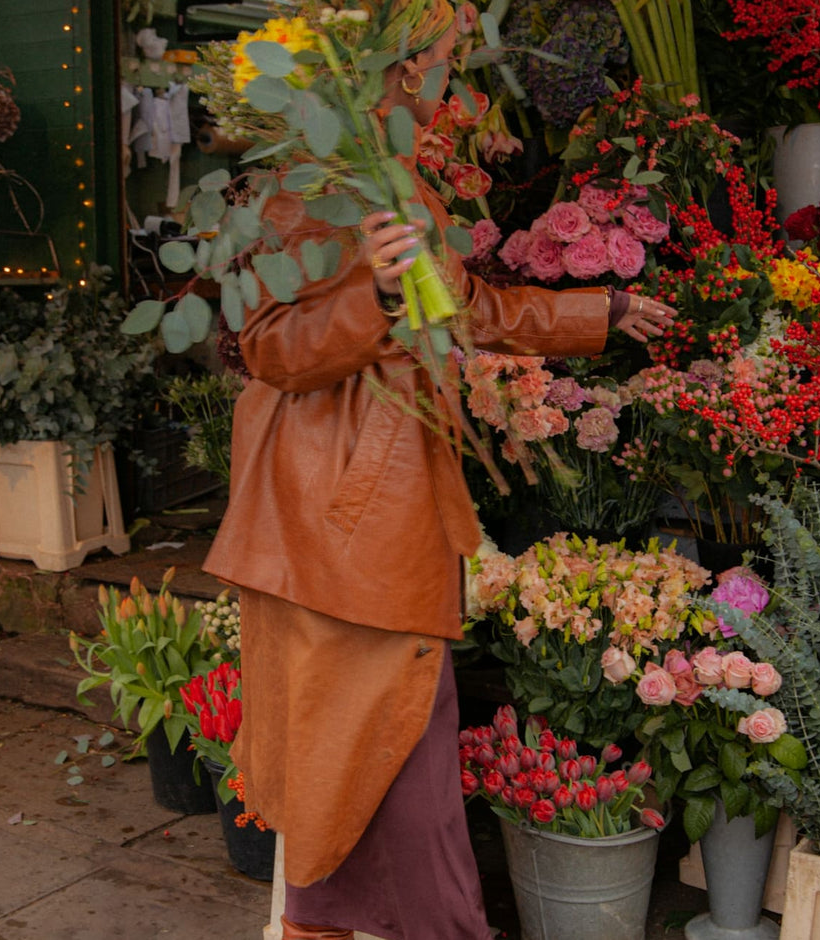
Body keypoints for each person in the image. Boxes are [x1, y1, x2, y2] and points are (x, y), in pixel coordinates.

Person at [202, 4, 676, 938]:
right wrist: (378, 297)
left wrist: (601, 313)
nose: (452, 90)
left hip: (378, 532)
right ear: (399, 70)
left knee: (369, 776)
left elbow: (462, 308)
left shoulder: (392, 182)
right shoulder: (313, 185)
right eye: (445, 66)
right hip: (338, 539)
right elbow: (268, 350)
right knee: (384, 774)